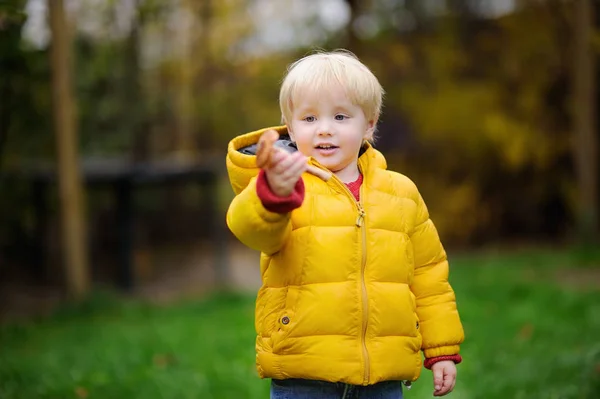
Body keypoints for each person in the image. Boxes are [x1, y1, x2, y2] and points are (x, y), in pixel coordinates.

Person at [225, 49, 464, 399]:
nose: (324, 130)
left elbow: (429, 277)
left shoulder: (401, 193)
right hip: (304, 373)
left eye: (340, 116)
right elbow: (251, 228)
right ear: (289, 126)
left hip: (382, 378)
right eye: (308, 119)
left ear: (369, 123)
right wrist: (273, 193)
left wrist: (441, 347)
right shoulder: (285, 186)